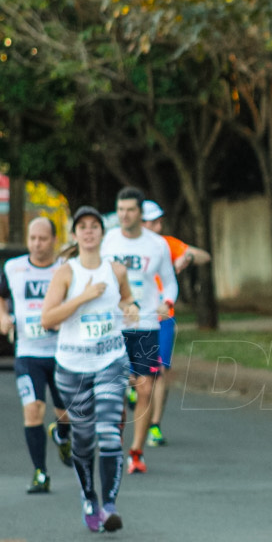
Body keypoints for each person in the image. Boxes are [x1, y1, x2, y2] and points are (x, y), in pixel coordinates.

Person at [41, 206, 138, 532]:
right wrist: (82, 297)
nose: (88, 231)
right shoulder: (66, 273)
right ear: (75, 234)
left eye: (94, 226)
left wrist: (131, 307)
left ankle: (109, 507)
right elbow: (48, 319)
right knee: (83, 440)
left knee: (109, 433)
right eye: (82, 226)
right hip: (72, 366)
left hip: (111, 360)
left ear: (101, 233)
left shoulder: (116, 270)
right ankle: (88, 496)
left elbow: (126, 299)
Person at [0, 217, 73, 493]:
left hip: (63, 353)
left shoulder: (66, 269)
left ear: (54, 240)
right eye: (33, 238)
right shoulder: (14, 268)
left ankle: (63, 436)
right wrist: (2, 316)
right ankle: (40, 472)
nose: (37, 244)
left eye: (43, 238)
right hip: (28, 353)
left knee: (66, 414)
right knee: (33, 410)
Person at [101, 187, 178, 473]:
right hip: (115, 326)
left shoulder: (156, 245)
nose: (124, 215)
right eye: (120, 209)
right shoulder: (108, 241)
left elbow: (169, 282)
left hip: (145, 325)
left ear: (140, 213)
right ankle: (115, 446)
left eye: (130, 210)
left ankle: (137, 451)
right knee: (116, 392)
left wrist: (166, 303)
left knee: (145, 389)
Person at [140, 199, 211, 447]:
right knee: (138, 374)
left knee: (160, 372)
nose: (159, 226)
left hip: (163, 318)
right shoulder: (126, 248)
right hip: (135, 319)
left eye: (160, 221)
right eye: (153, 221)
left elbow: (205, 256)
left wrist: (187, 257)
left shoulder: (166, 245)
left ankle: (155, 425)